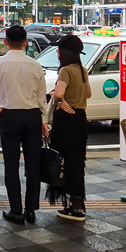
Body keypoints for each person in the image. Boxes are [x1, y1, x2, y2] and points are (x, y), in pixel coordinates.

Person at [0, 25, 47, 224]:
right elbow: (42, 98)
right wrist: (44, 121)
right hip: (32, 116)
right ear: (25, 43)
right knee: (33, 165)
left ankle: (16, 210)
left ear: (5, 42)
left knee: (11, 165)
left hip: (9, 117)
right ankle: (31, 210)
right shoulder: (35, 65)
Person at [47, 34, 91, 222]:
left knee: (63, 162)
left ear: (65, 52)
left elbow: (59, 94)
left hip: (66, 121)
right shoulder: (82, 70)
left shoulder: (65, 70)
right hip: (81, 119)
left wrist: (61, 100)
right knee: (77, 163)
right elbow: (88, 93)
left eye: (59, 49)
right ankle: (78, 204)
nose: (57, 52)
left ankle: (73, 206)